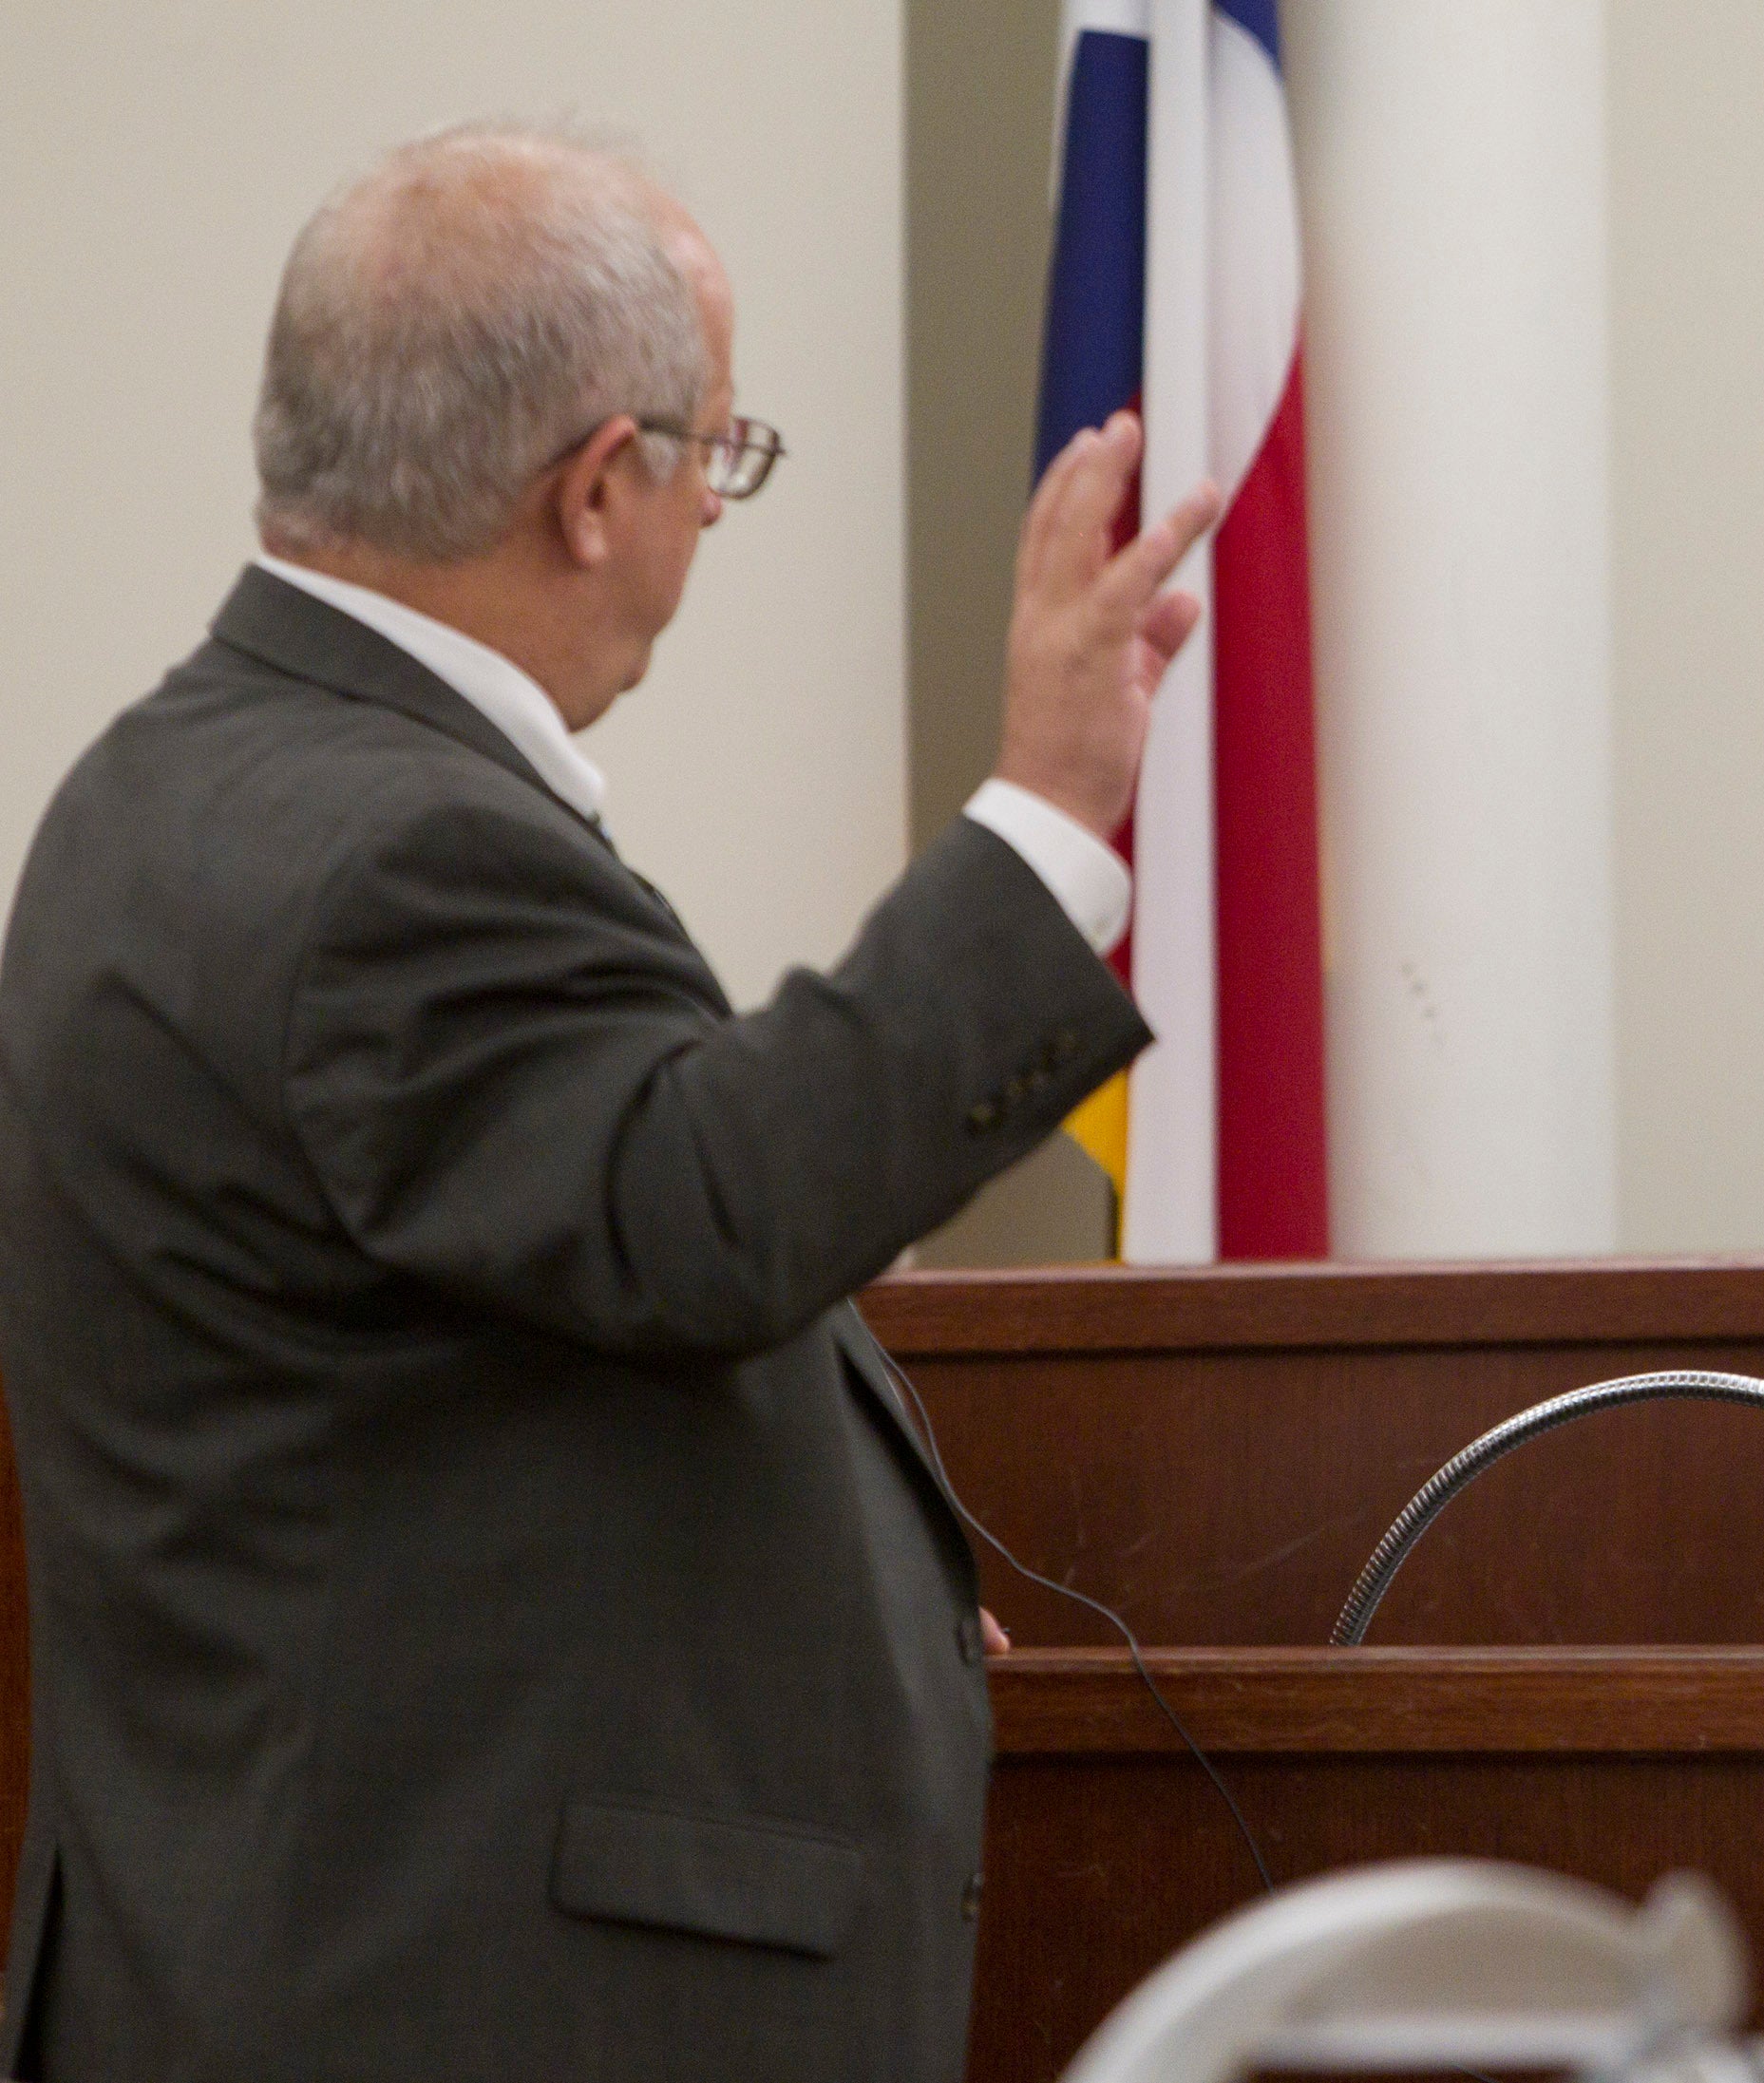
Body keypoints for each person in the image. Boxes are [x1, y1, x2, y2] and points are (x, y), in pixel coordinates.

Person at [0, 123, 1221, 2079]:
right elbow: (710, 1207)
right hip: (442, 2006)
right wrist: (1052, 812)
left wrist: (820, 1620)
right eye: (717, 454)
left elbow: (462, 1338)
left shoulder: (164, 784)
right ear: (596, 488)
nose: (714, 512)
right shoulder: (392, 855)